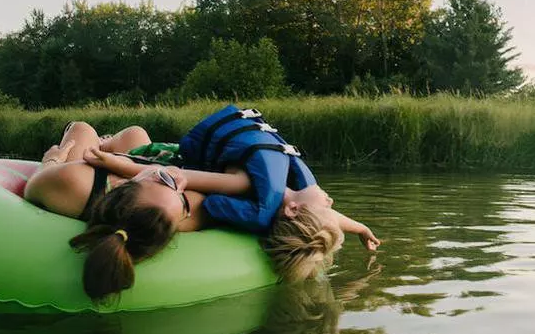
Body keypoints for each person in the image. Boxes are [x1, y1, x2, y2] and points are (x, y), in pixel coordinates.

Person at [24, 110, 379, 303]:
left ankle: (96, 141)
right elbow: (316, 219)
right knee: (135, 134)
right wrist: (359, 227)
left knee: (82, 127)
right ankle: (112, 143)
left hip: (99, 172)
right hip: (143, 159)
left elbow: (36, 185)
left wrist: (53, 159)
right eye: (174, 186)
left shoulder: (76, 186)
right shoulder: (200, 206)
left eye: (175, 189)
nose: (181, 182)